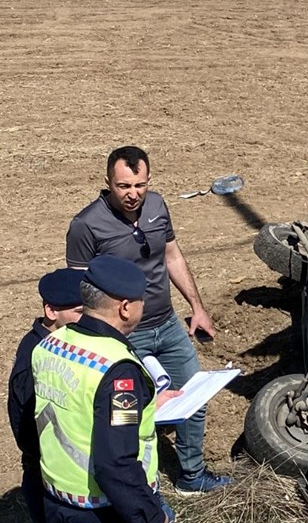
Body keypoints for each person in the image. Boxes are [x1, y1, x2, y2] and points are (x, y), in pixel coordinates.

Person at [66, 146, 232, 494]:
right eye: (123, 186)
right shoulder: (86, 226)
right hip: (124, 336)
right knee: (133, 415)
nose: (133, 194)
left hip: (168, 324)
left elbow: (171, 256)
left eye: (139, 185)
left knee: (192, 397)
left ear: (149, 180)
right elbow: (80, 292)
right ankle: (141, 489)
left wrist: (197, 307)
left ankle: (192, 475)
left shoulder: (156, 206)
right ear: (107, 182)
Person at [33, 255, 185, 523]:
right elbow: (115, 463)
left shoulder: (50, 345)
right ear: (125, 307)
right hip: (108, 518)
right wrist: (151, 521)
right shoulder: (118, 369)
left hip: (58, 507)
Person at [7, 269, 85, 523]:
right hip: (49, 481)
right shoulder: (34, 359)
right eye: (80, 312)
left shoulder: (62, 343)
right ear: (51, 312)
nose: (90, 319)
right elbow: (28, 432)